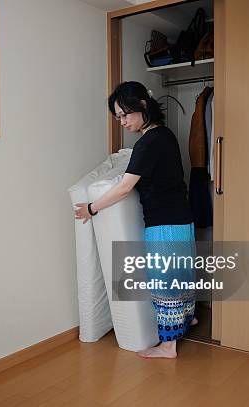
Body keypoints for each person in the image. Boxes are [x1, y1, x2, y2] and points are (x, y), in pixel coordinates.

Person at [74, 81, 196, 359]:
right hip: (182, 219)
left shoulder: (148, 143)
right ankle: (188, 321)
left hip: (164, 224)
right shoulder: (165, 135)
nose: (122, 122)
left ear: (143, 106)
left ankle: (168, 346)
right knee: (181, 277)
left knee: (163, 281)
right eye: (117, 117)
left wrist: (91, 208)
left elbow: (124, 187)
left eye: (125, 114)